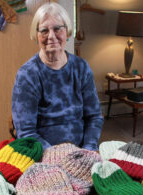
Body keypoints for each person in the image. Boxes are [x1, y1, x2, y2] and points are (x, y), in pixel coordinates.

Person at [12, 2, 104, 151]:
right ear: (36, 35)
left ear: (67, 32)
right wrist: (57, 157)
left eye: (57, 29)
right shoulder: (27, 75)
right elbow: (26, 132)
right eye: (44, 30)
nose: (51, 36)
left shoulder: (81, 67)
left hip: (82, 150)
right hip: (44, 155)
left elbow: (94, 117)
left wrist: (88, 149)